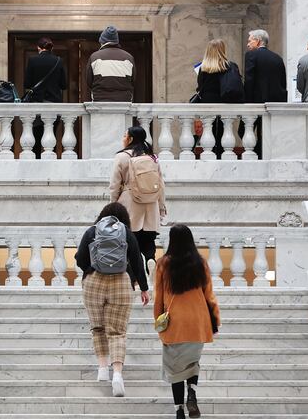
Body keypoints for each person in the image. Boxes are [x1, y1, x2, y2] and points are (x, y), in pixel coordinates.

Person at [75, 202, 149, 398]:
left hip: (93, 283)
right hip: (121, 283)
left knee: (98, 327)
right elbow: (137, 261)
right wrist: (144, 287)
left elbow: (79, 258)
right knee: (117, 332)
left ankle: (102, 368)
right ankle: (117, 374)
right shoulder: (125, 231)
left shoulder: (92, 231)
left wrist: (92, 269)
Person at [154, 224, 220, 419]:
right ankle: (192, 391)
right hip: (198, 322)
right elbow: (210, 296)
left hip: (175, 323)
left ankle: (179, 411)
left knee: (175, 368)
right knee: (192, 362)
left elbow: (158, 299)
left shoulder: (163, 264)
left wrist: (158, 324)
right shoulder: (201, 263)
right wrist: (214, 321)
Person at [109, 126, 167, 272]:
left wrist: (113, 206)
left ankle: (133, 276)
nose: (123, 139)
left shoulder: (122, 157)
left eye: (124, 136)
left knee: (129, 243)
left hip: (129, 204)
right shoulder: (152, 157)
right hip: (151, 204)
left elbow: (114, 185)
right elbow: (161, 184)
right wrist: (161, 207)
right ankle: (150, 263)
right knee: (148, 243)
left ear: (131, 138)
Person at [243, 29, 286, 157]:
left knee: (246, 133)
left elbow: (249, 81)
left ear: (258, 41)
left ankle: (258, 153)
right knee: (268, 135)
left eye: (250, 41)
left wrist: (246, 103)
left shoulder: (251, 55)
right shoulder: (278, 58)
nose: (248, 44)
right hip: (275, 104)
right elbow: (282, 84)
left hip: (256, 103)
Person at [195, 39, 241, 157]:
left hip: (207, 102)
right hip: (224, 101)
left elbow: (200, 87)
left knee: (208, 128)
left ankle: (208, 155)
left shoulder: (203, 68)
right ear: (222, 50)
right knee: (223, 129)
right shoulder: (229, 66)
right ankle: (221, 154)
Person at [24, 37, 66, 158]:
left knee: (36, 137)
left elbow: (27, 84)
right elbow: (64, 85)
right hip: (54, 104)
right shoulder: (59, 61)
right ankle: (50, 161)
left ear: (38, 48)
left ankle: (36, 160)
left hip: (37, 103)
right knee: (51, 136)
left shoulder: (32, 61)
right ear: (51, 48)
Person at [85, 26, 135, 102]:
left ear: (102, 42)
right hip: (124, 102)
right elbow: (133, 81)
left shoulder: (95, 57)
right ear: (116, 41)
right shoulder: (129, 58)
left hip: (100, 101)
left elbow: (89, 81)